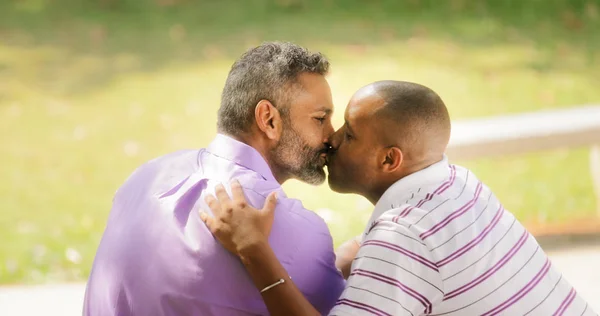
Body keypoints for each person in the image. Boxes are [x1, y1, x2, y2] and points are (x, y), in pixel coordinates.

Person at [201, 81, 596, 315]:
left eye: (350, 135)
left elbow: (410, 246)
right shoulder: (458, 182)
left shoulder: (404, 238)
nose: (331, 139)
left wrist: (253, 249)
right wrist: (357, 255)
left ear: (390, 159)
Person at [83, 42, 346, 316]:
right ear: (268, 120)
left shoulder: (144, 178)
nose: (333, 135)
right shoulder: (293, 226)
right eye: (320, 118)